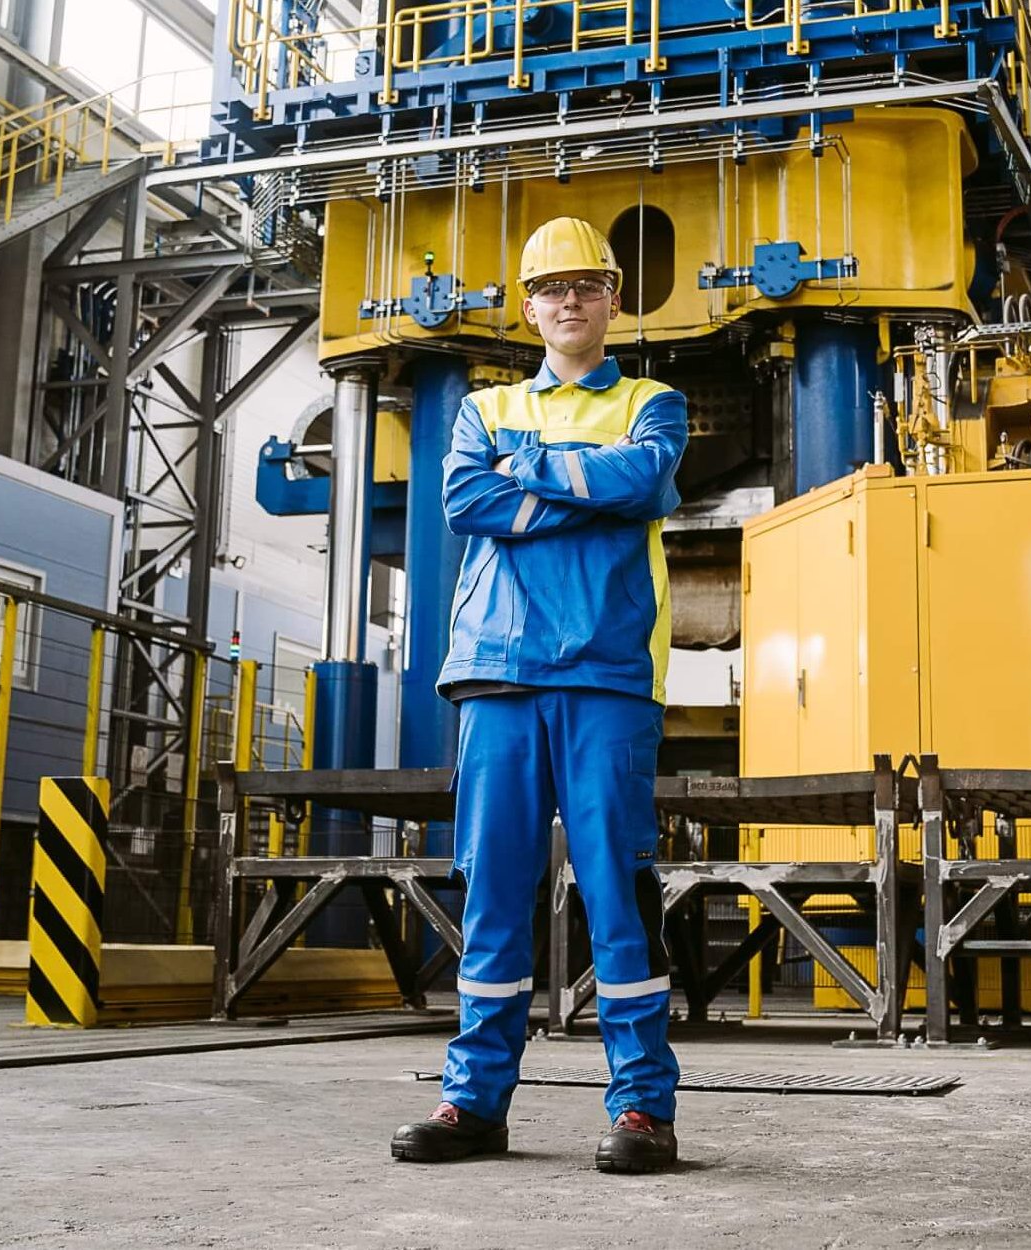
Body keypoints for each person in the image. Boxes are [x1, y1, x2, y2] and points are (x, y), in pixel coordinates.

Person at [391, 217, 689, 1174]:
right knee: (492, 891)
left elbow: (644, 478)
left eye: (587, 285)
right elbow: (464, 502)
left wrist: (531, 476)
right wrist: (588, 492)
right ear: (528, 308)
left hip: (608, 673)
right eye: (552, 288)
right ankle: (473, 1104)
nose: (570, 300)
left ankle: (642, 1108)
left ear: (613, 299)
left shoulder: (654, 402)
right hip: (497, 672)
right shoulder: (484, 408)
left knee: (619, 893)